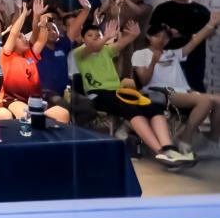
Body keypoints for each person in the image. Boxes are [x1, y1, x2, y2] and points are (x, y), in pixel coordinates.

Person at [73, 20, 191, 167]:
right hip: (98, 94)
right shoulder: (79, 52)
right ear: (83, 39)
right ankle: (160, 152)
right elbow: (93, 46)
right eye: (90, 35)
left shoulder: (106, 50)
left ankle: (169, 148)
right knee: (131, 110)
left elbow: (122, 43)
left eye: (98, 34)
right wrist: (106, 37)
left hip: (118, 91)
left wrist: (133, 35)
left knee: (153, 107)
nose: (95, 37)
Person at [132, 16, 220, 151]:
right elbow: (144, 81)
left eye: (165, 37)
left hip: (183, 92)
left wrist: (211, 23)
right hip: (160, 92)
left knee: (218, 100)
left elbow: (195, 41)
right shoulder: (140, 54)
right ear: (149, 36)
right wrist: (153, 62)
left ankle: (212, 139)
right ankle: (185, 137)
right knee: (205, 101)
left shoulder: (173, 53)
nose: (161, 40)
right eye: (157, 36)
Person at [0, 0, 69, 123]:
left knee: (63, 114)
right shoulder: (6, 55)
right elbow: (14, 33)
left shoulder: (30, 55)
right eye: (20, 37)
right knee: (26, 115)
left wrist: (42, 24)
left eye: (24, 36)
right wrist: (23, 14)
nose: (25, 39)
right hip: (13, 99)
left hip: (35, 99)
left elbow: (41, 40)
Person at [150, 0, 212, 92]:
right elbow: (152, 30)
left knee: (195, 83)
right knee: (166, 84)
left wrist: (192, 35)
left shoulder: (201, 10)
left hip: (195, 53)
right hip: (168, 52)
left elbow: (211, 31)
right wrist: (167, 32)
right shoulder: (162, 8)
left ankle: (199, 102)